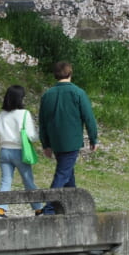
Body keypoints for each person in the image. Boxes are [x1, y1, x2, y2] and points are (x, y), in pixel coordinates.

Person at [37, 61, 99, 215]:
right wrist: (93, 139)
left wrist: (45, 144)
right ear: (70, 73)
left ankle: (73, 205)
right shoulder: (78, 93)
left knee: (68, 174)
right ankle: (49, 208)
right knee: (63, 173)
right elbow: (88, 118)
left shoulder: (47, 95)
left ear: (55, 75)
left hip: (55, 141)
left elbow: (42, 122)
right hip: (71, 140)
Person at [0, 85, 44, 218]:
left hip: (4, 150)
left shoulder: (2, 114)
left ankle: (0, 210)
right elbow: (31, 135)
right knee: (28, 180)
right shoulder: (24, 113)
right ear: (20, 98)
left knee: (5, 181)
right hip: (20, 151)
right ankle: (38, 209)